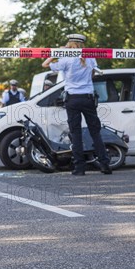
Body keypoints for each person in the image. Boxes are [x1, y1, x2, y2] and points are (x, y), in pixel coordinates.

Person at [42, 33, 111, 176]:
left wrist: (57, 52)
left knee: (76, 133)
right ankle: (104, 165)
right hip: (88, 98)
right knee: (95, 132)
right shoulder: (90, 56)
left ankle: (79, 168)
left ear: (70, 44)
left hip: (72, 99)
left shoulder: (66, 58)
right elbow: (93, 75)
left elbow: (45, 64)